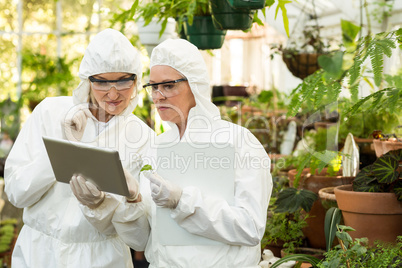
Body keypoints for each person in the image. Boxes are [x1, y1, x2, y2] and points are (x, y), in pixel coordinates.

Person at [4, 28, 153, 267]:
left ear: (136, 79)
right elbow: (17, 193)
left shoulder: (143, 137)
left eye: (123, 81)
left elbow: (140, 239)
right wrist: (63, 147)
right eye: (102, 82)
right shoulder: (49, 113)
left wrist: (113, 203)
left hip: (103, 259)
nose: (113, 93)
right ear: (87, 79)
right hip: (39, 255)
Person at [139, 38, 272, 267]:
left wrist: (184, 202)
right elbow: (147, 237)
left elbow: (250, 227)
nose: (158, 95)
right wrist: (124, 203)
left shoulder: (238, 142)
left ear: (195, 85)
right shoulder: (156, 147)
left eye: (168, 85)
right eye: (153, 86)